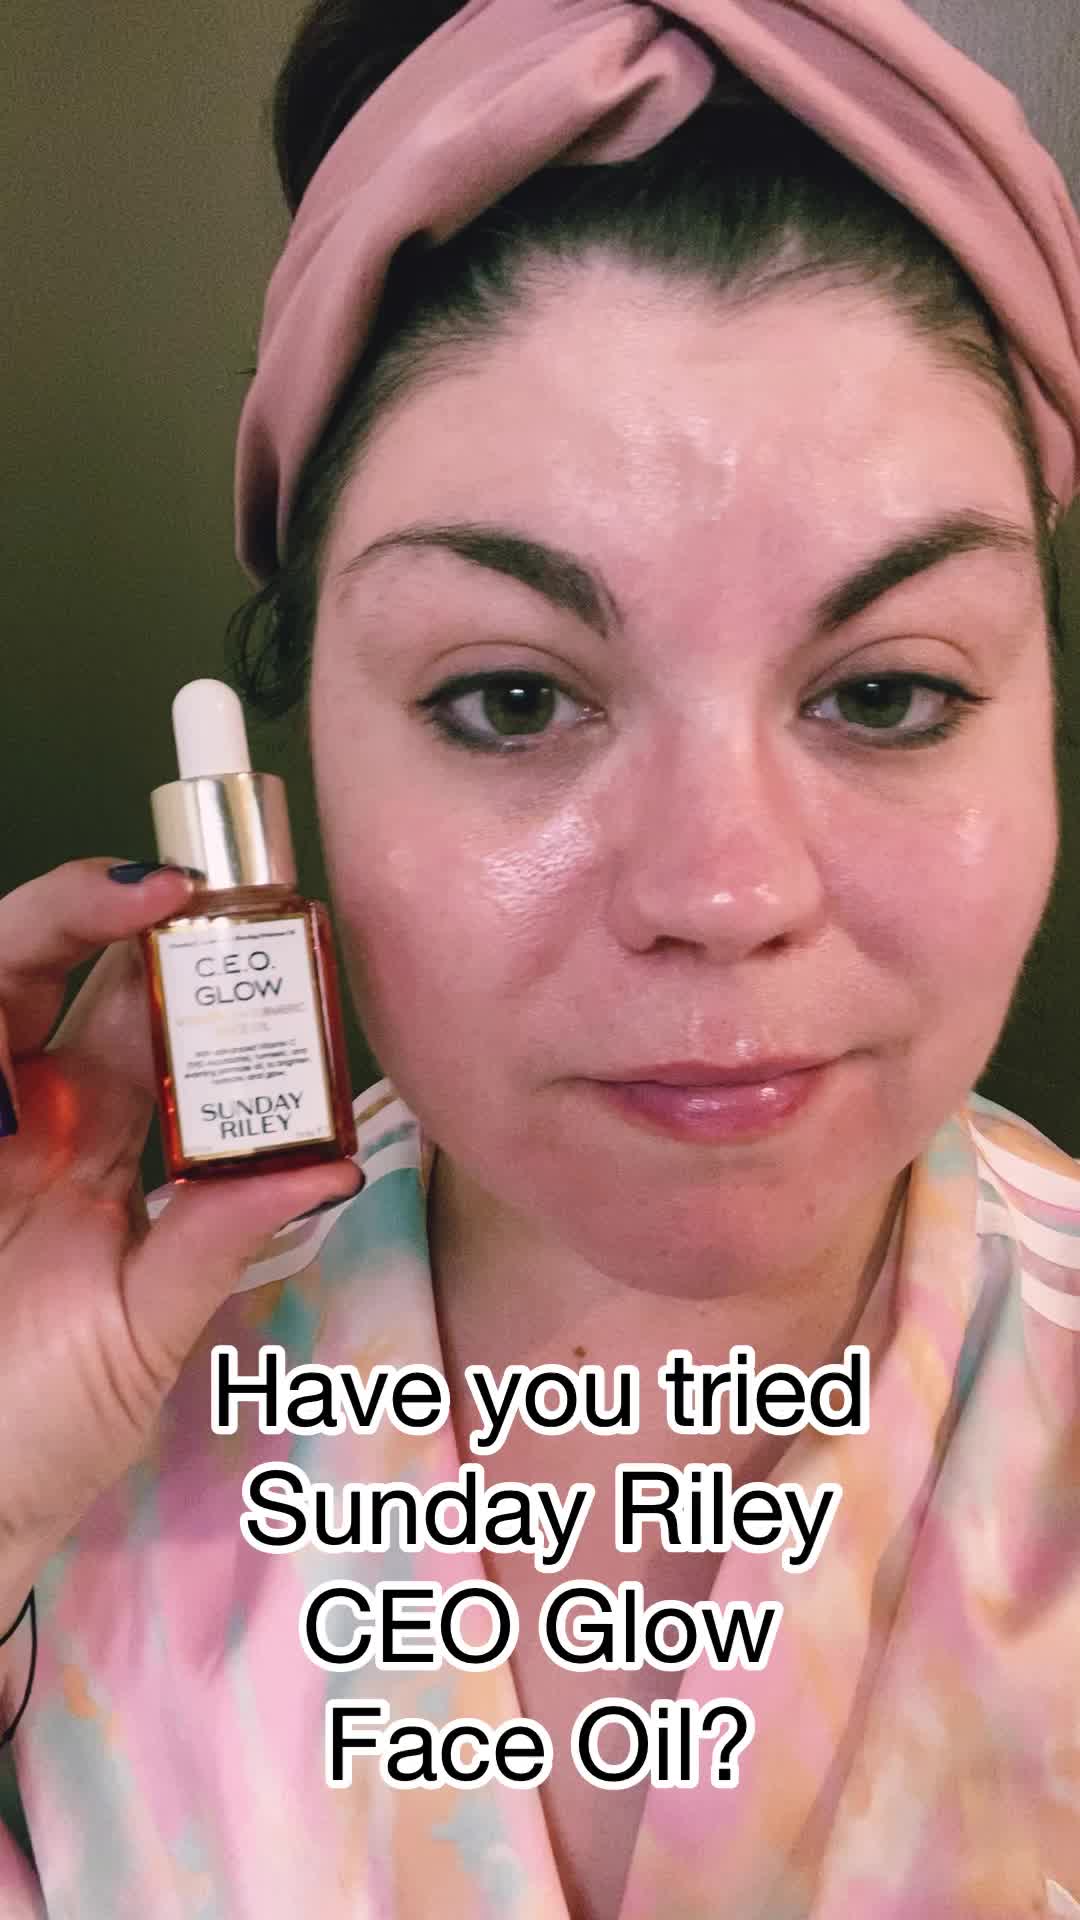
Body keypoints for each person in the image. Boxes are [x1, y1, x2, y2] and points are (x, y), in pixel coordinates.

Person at [2, 1, 1079, 1915]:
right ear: (305, 752)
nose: (724, 893)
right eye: (511, 698)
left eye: (890, 692)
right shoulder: (81, 1400)